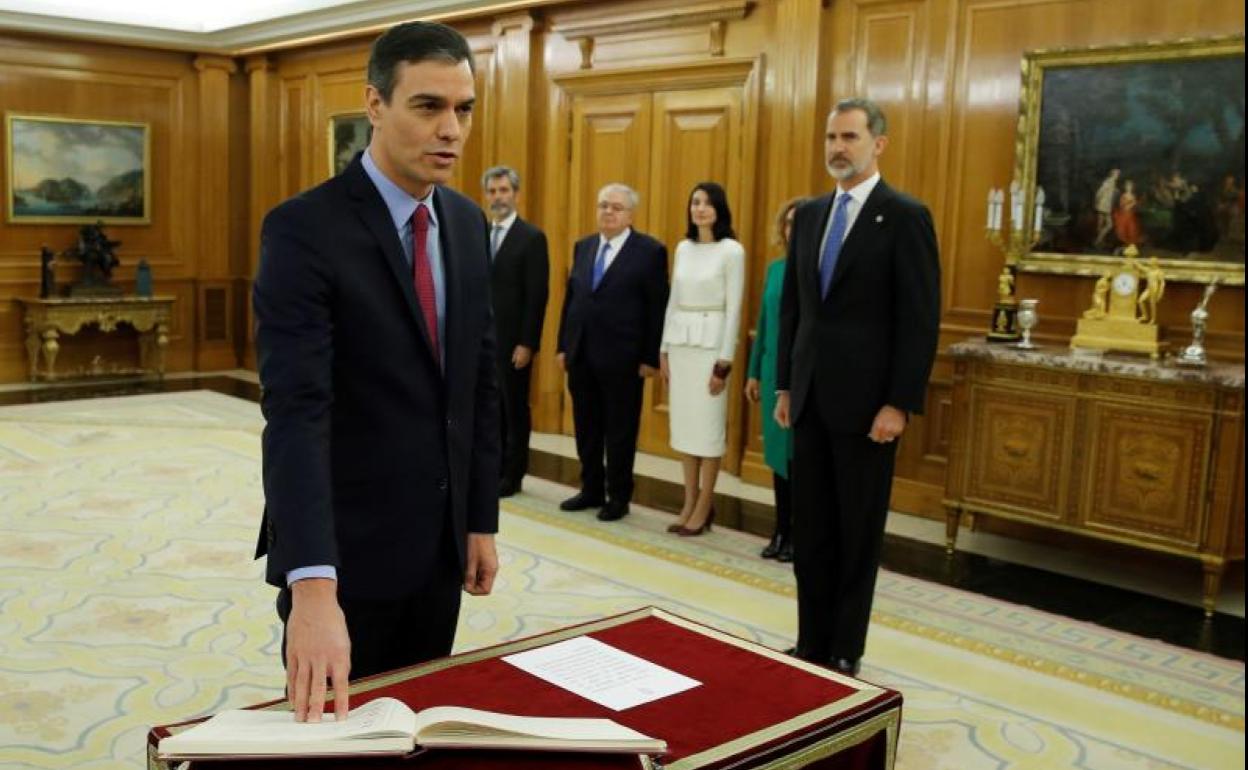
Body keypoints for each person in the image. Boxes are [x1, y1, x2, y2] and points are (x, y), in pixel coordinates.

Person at [252, 21, 501, 724]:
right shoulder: (303, 229)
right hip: (345, 556)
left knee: (421, 727)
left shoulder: (466, 224)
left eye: (464, 109)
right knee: (338, 743)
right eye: (428, 106)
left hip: (440, 550)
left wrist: (479, 519)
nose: (451, 129)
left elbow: (479, 384)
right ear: (374, 104)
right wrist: (312, 587)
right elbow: (297, 414)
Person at [775, 98, 940, 676]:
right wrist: (785, 386)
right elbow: (794, 309)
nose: (837, 148)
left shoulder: (905, 216)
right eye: (831, 137)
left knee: (856, 532)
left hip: (870, 407)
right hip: (810, 399)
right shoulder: (811, 214)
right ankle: (811, 641)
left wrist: (899, 402)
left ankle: (845, 647)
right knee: (812, 529)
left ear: (878, 144)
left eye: (849, 137)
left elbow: (919, 319)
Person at [556, 183, 669, 522]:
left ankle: (619, 496)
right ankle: (591, 488)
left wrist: (649, 357)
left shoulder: (650, 251)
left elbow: (656, 307)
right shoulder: (584, 246)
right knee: (586, 427)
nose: (608, 212)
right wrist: (563, 345)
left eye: (616, 207)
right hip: (581, 354)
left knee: (620, 432)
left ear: (630, 215)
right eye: (603, 205)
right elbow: (571, 300)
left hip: (624, 359)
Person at [659, 182, 746, 537]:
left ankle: (705, 504)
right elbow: (673, 300)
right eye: (695, 202)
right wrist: (664, 349)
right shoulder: (683, 248)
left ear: (719, 209)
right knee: (684, 429)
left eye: (708, 203)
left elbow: (734, 308)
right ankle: (689, 501)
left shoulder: (732, 251)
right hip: (681, 346)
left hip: (711, 350)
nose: (700, 208)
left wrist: (724, 363)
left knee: (708, 432)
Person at [482, 165, 550, 497]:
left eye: (504, 191)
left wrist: (528, 343)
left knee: (514, 409)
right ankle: (491, 468)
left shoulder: (531, 238)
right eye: (492, 191)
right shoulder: (479, 234)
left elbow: (537, 296)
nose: (498, 197)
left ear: (516, 194)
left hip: (513, 343)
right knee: (488, 408)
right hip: (481, 341)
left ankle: (513, 474)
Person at [746, 197, 806, 561]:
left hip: (801, 376)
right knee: (777, 457)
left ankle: (798, 534)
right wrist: (754, 372)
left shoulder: (814, 271)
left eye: (801, 223)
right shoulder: (776, 269)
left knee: (798, 459)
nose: (793, 230)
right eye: (789, 223)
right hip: (772, 375)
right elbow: (764, 323)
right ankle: (780, 529)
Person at [1093, 168, 1119, 248]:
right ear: (1113, 174)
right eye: (1117, 174)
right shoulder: (1108, 181)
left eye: (1118, 174)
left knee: (1101, 224)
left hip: (1104, 205)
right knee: (1109, 225)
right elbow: (1100, 192)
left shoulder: (1112, 182)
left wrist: (1115, 191)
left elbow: (1111, 193)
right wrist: (1097, 201)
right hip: (1104, 206)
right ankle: (1098, 241)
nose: (1118, 176)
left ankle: (1099, 241)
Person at [1113, 179, 1141, 247]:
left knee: (1132, 230)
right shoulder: (1123, 195)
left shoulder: (1133, 195)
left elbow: (1135, 206)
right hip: (1124, 215)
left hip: (1131, 216)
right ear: (1125, 187)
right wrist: (1131, 204)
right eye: (1128, 186)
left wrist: (1134, 204)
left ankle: (1129, 245)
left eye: (1130, 186)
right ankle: (1123, 245)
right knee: (1123, 231)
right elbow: (1122, 206)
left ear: (1132, 187)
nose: (1129, 188)